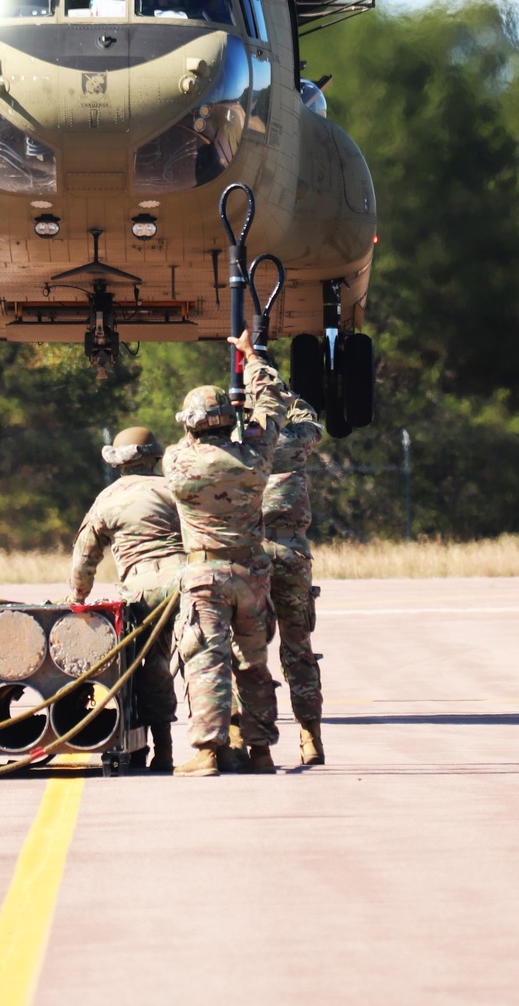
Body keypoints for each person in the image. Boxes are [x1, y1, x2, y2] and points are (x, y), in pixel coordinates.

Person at [162, 330, 295, 777]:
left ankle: (208, 751)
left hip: (204, 576)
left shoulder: (176, 464)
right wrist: (251, 358)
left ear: (190, 424)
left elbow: (190, 440)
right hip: (251, 574)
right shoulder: (255, 459)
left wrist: (227, 422)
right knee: (254, 664)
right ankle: (260, 751)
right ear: (225, 422)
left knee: (206, 659)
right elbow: (275, 402)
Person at [67, 427, 184, 772]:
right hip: (188, 579)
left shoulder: (107, 499)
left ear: (119, 463)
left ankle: (162, 751)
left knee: (150, 664)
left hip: (141, 588)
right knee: (204, 657)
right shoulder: (173, 489)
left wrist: (77, 596)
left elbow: (84, 558)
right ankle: (227, 745)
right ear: (153, 457)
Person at [262, 395, 326, 764]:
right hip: (291, 555)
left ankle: (250, 741)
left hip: (249, 557)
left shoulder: (238, 445)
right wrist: (286, 395)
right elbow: (310, 419)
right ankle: (310, 737)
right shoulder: (291, 441)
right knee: (298, 647)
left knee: (246, 649)